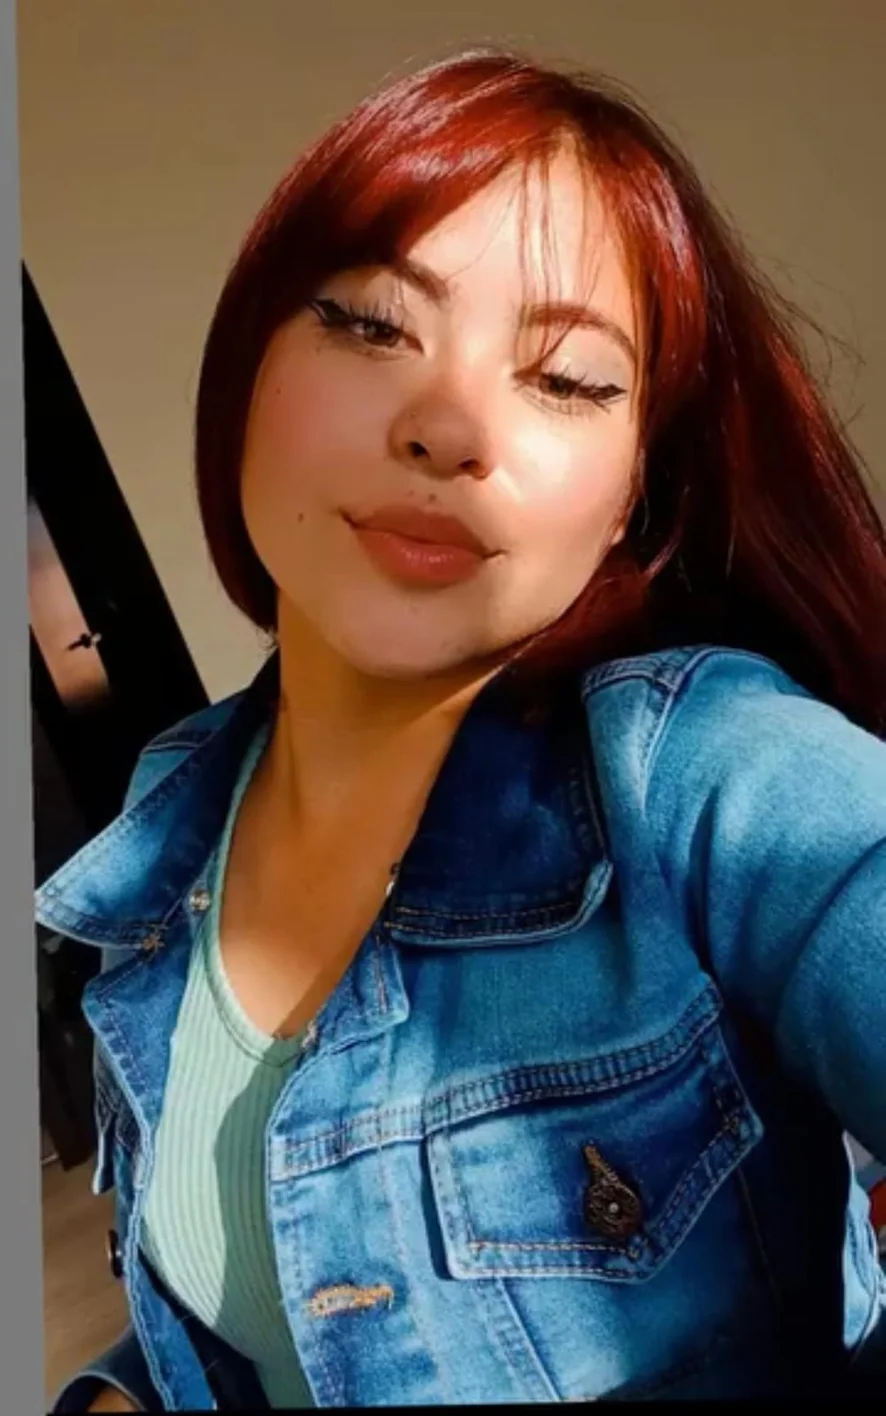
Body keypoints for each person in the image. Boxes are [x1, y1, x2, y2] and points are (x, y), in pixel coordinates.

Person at [38, 46, 886, 1412]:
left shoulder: (705, 774)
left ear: (630, 497)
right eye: (374, 326)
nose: (447, 425)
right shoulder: (171, 811)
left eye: (567, 379)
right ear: (245, 374)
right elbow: (275, 1271)